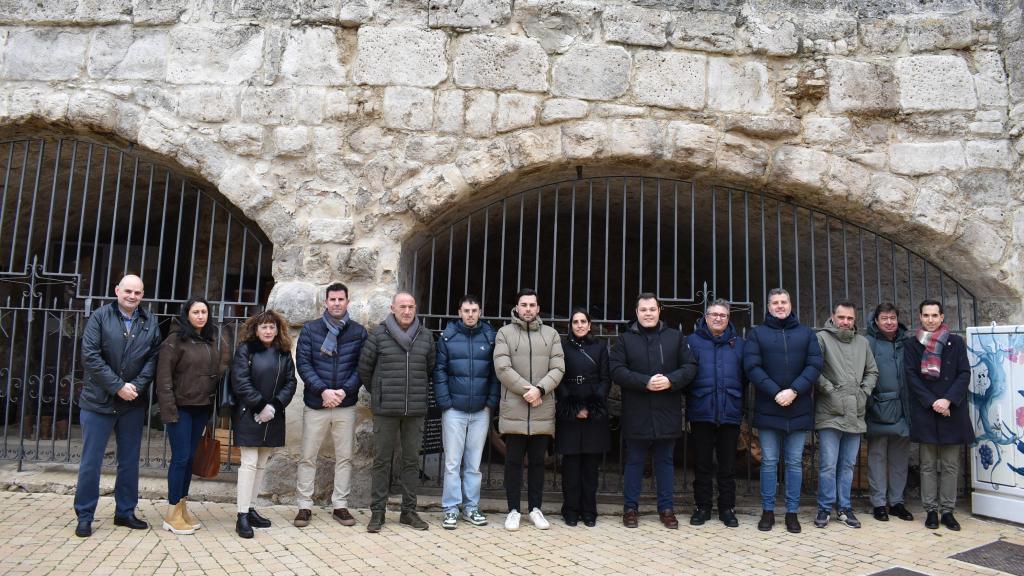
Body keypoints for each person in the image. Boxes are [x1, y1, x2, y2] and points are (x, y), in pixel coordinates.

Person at [73, 274, 162, 538]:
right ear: (117, 291)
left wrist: (135, 387)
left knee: (129, 461)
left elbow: (153, 358)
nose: (132, 296)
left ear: (142, 295)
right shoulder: (100, 317)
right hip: (97, 402)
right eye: (128, 291)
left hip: (132, 403)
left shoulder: (150, 321)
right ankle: (85, 515)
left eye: (137, 292)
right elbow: (90, 356)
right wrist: (117, 386)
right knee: (91, 462)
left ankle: (125, 512)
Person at [610, 292, 697, 530]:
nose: (648, 313)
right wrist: (644, 382)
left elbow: (690, 366)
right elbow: (616, 369)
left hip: (666, 409)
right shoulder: (625, 339)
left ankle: (666, 509)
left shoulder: (675, 337)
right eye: (643, 310)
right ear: (636, 313)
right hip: (636, 410)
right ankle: (630, 509)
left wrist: (670, 380)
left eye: (652, 309)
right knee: (634, 462)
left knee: (665, 462)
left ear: (659, 311)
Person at [743, 288, 822, 534]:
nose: (780, 306)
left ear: (790, 304)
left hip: (798, 406)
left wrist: (794, 390)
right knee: (768, 462)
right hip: (769, 406)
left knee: (794, 463)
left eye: (784, 302)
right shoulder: (758, 334)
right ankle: (767, 511)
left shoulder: (806, 334)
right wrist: (776, 392)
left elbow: (814, 364)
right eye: (775, 302)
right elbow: (752, 366)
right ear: (769, 307)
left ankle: (792, 512)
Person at [359, 292, 436, 533]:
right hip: (386, 409)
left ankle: (408, 512)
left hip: (415, 409)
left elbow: (430, 368)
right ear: (392, 308)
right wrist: (380, 391)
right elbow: (365, 369)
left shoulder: (426, 336)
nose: (407, 311)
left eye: (411, 306)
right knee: (382, 461)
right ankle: (378, 512)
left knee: (411, 461)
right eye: (402, 306)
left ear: (416, 308)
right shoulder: (379, 335)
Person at [293, 282, 368, 528]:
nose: (336, 303)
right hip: (317, 403)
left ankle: (340, 506)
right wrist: (323, 391)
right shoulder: (310, 329)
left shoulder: (358, 332)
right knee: (308, 456)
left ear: (348, 302)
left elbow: (362, 367)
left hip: (345, 404)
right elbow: (303, 364)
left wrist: (344, 391)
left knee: (344, 457)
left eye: (340, 299)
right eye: (332, 299)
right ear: (325, 302)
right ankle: (304, 506)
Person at [156, 296, 231, 535]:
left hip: (201, 408)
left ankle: (182, 507)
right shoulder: (174, 341)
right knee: (180, 458)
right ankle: (171, 514)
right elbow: (163, 379)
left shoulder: (209, 340)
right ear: (187, 315)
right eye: (196, 312)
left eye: (204, 312)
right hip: (180, 408)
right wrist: (169, 411)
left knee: (189, 458)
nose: (200, 316)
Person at [493, 288, 565, 531]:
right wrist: (528, 391)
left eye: (532, 305)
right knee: (513, 462)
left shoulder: (551, 334)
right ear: (517, 307)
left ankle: (535, 509)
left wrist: (540, 390)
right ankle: (513, 510)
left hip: (541, 407)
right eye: (524, 305)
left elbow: (558, 367)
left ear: (538, 308)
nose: (528, 309)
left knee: (537, 463)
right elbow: (502, 367)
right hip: (515, 407)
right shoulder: (504, 333)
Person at [904, 299, 973, 531]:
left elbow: (964, 373)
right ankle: (931, 511)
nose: (930, 320)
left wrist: (947, 400)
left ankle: (948, 511)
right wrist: (933, 401)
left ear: (942, 317)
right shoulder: (912, 344)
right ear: (920, 317)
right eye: (926, 315)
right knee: (928, 465)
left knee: (951, 465)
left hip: (951, 410)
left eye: (935, 315)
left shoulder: (956, 342)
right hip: (927, 410)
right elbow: (911, 376)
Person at [230, 310, 297, 538]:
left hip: (273, 416)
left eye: (272, 327)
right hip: (249, 414)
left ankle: (250, 508)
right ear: (256, 329)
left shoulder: (283, 352)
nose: (268, 331)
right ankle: (241, 515)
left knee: (261, 464)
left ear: (277, 330)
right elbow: (241, 381)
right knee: (249, 463)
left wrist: (274, 407)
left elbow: (291, 382)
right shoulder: (245, 350)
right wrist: (260, 406)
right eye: (264, 327)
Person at [434, 295, 498, 530]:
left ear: (480, 312)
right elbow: (439, 371)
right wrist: (445, 402)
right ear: (459, 312)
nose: (470, 315)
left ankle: (471, 507)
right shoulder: (448, 337)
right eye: (466, 311)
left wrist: (490, 403)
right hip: (454, 410)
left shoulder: (490, 337)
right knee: (452, 463)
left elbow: (495, 373)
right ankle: (451, 508)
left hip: (481, 411)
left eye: (474, 310)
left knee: (473, 464)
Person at [813, 301, 877, 529]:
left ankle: (844, 507)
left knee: (848, 465)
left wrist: (864, 392)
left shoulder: (862, 342)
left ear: (854, 320)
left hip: (855, 411)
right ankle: (824, 507)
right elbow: (814, 369)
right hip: (830, 411)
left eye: (850, 318)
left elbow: (872, 371)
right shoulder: (821, 338)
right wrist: (831, 391)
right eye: (841, 317)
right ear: (833, 316)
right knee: (828, 465)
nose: (845, 322)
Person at [686, 299, 745, 528]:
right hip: (701, 410)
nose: (718, 318)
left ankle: (727, 508)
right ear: (706, 317)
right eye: (714, 314)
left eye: (723, 315)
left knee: (727, 465)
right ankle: (702, 507)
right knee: (702, 463)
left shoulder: (739, 344)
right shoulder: (691, 342)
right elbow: (685, 374)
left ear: (728, 318)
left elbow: (745, 377)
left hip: (730, 409)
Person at [555, 308, 610, 528]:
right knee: (571, 467)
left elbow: (606, 379)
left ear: (589, 324)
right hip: (570, 412)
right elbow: (558, 377)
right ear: (571, 325)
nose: (579, 325)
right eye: (575, 322)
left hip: (593, 412)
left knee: (590, 467)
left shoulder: (600, 347)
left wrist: (593, 405)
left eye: (583, 321)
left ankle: (589, 510)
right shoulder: (562, 347)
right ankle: (570, 510)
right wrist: (573, 406)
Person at [864, 303, 914, 522]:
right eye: (884, 318)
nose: (889, 322)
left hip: (903, 407)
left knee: (899, 459)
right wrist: (870, 403)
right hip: (877, 406)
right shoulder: (868, 342)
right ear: (876, 321)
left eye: (892, 318)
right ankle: (878, 503)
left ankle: (897, 502)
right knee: (876, 458)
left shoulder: (906, 343)